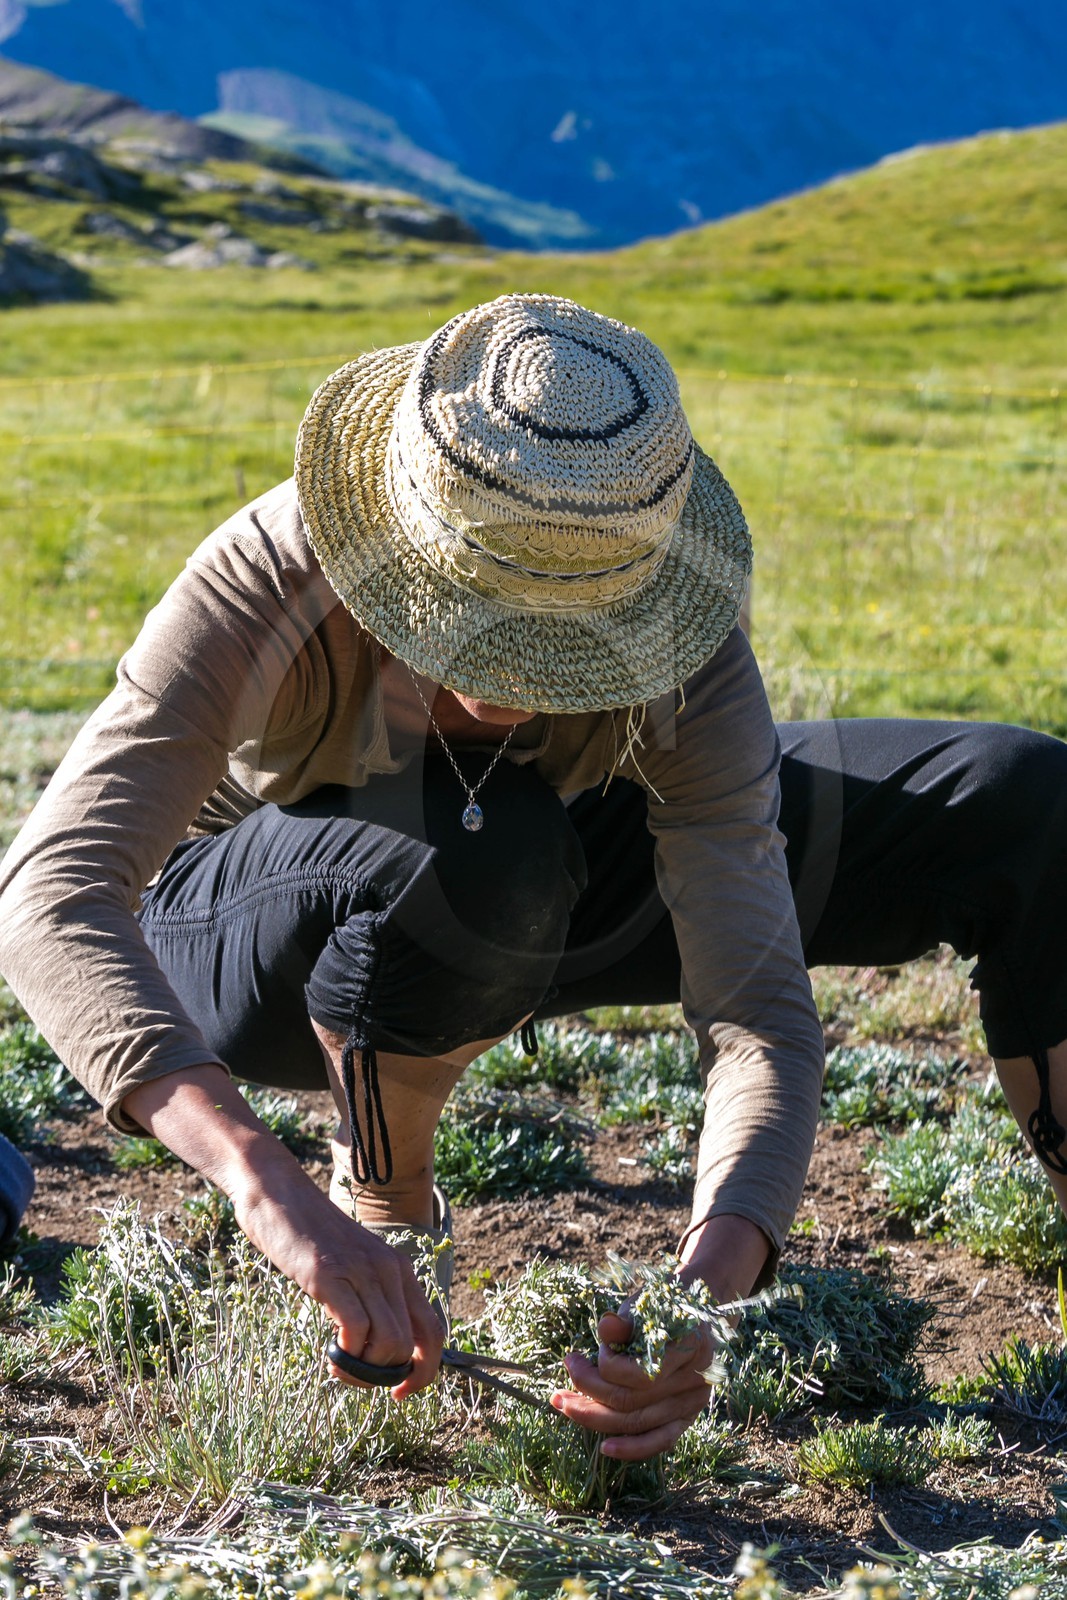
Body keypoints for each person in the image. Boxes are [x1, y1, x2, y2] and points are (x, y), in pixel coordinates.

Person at [1, 293, 1066, 1463]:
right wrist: (271, 1193)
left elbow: (757, 1013)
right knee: (486, 848)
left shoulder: (673, 619)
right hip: (233, 927)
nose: (505, 683)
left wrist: (699, 1304)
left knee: (1017, 800)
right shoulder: (274, 570)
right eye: (468, 621)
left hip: (547, 871)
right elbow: (53, 893)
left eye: (557, 640)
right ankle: (390, 1212)